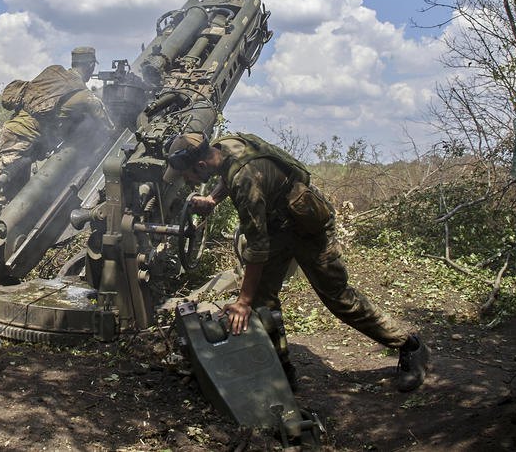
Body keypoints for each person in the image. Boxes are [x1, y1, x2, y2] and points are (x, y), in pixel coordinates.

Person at [163, 131, 430, 393]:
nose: (186, 181)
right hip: (279, 226)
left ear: (200, 164)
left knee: (339, 299)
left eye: (187, 175)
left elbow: (257, 247)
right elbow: (228, 174)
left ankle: (410, 345)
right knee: (261, 302)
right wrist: (212, 198)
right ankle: (280, 371)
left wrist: (242, 303)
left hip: (308, 225)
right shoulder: (223, 146)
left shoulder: (246, 180)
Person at [0, 46, 114, 199]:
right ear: (91, 65)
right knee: (2, 191)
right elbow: (109, 127)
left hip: (14, 131)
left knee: (16, 189)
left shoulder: (53, 71)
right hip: (22, 138)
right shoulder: (85, 96)